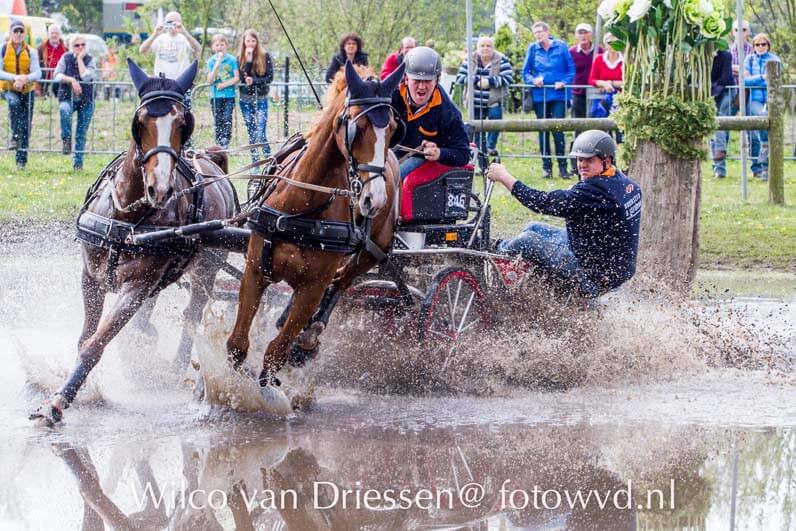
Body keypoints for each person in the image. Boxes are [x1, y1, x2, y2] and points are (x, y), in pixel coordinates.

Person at [487, 130, 641, 298]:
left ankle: (492, 253)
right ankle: (527, 276)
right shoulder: (624, 183)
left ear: (607, 160)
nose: (582, 165)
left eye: (589, 160)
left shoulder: (593, 193)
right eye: (579, 159)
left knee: (527, 240)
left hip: (592, 277)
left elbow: (540, 202)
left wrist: (504, 177)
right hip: (605, 262)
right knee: (533, 227)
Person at [390, 46, 470, 180]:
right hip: (388, 153)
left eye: (427, 81)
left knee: (393, 177)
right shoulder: (390, 96)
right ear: (406, 78)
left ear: (437, 80)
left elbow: (463, 154)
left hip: (420, 161)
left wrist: (439, 153)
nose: (422, 87)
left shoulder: (448, 112)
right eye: (416, 80)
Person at [521, 21, 575, 179]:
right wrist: (533, 80)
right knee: (543, 130)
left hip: (558, 95)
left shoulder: (561, 46)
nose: (538, 35)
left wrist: (564, 82)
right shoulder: (532, 48)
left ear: (547, 32)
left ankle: (563, 167)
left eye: (540, 32)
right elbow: (525, 72)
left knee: (558, 130)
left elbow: (571, 69)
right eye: (535, 33)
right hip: (540, 96)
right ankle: (547, 168)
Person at [454, 35, 512, 166]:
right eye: (482, 46)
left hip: (494, 101)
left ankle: (491, 147)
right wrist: (476, 80)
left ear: (493, 48)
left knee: (495, 124)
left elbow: (508, 78)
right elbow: (460, 77)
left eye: (488, 46)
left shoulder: (501, 60)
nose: (485, 48)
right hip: (475, 103)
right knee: (478, 135)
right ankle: (484, 165)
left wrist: (490, 81)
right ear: (477, 47)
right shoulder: (470, 59)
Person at [713, 20, 755, 179]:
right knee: (721, 124)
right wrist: (742, 70)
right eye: (737, 30)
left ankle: (758, 168)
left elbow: (753, 74)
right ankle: (719, 169)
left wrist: (737, 69)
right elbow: (727, 73)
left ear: (748, 32)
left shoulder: (754, 50)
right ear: (732, 32)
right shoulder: (727, 51)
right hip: (730, 93)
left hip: (750, 93)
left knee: (754, 129)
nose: (740, 33)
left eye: (743, 29)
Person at [138, 11, 201, 113]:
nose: (172, 25)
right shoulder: (160, 38)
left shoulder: (184, 38)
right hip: (162, 83)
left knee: (185, 113)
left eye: (175, 22)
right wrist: (154, 34)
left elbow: (198, 49)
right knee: (162, 113)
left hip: (181, 82)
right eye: (169, 22)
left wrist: (184, 32)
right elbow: (142, 50)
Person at [1, 19, 42, 169]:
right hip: (8, 89)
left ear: (24, 34)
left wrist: (25, 78)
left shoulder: (31, 51)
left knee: (26, 126)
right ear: (10, 33)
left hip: (27, 90)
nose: (18, 34)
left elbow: (38, 73)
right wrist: (15, 78)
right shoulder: (2, 49)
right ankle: (14, 135)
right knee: (14, 103)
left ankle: (21, 161)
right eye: (15, 31)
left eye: (21, 31)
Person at [53, 34, 97, 170]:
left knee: (81, 133)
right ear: (71, 46)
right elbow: (56, 75)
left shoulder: (90, 59)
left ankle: (78, 164)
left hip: (87, 100)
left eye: (83, 44)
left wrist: (79, 59)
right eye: (77, 45)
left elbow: (86, 77)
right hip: (67, 97)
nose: (80, 47)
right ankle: (66, 139)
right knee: (64, 110)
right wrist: (71, 80)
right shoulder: (65, 58)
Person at [744, 33, 781, 181]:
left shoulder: (775, 59)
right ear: (753, 46)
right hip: (755, 101)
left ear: (768, 45)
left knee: (770, 130)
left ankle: (766, 168)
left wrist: (757, 79)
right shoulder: (749, 59)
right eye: (757, 44)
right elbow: (745, 81)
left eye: (763, 44)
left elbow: (775, 80)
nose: (760, 47)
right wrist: (762, 77)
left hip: (772, 100)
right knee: (759, 127)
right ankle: (759, 164)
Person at [568, 22, 602, 173]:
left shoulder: (599, 51)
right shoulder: (571, 52)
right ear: (576, 35)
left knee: (597, 128)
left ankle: (596, 162)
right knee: (578, 128)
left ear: (591, 34)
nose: (583, 35)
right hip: (579, 94)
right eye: (580, 33)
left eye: (585, 32)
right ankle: (575, 164)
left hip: (596, 95)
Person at [237, 29, 274, 162]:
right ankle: (255, 162)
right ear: (244, 42)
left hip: (261, 98)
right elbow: (243, 78)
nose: (251, 43)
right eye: (248, 41)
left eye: (253, 41)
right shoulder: (240, 57)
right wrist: (248, 61)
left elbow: (269, 77)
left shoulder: (265, 56)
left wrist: (255, 81)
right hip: (245, 99)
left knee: (261, 132)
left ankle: (269, 160)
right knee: (252, 132)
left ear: (257, 42)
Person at [588, 33, 623, 143]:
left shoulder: (625, 60)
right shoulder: (599, 59)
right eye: (609, 42)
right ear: (605, 44)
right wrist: (603, 83)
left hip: (621, 100)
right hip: (601, 99)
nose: (613, 45)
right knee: (602, 132)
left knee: (620, 131)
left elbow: (628, 82)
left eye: (616, 42)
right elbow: (591, 80)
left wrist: (611, 83)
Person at [206, 33, 239, 148]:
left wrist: (224, 85)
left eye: (222, 45)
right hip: (215, 96)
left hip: (229, 95)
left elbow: (236, 78)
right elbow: (210, 80)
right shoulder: (211, 61)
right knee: (218, 119)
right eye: (217, 45)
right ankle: (218, 143)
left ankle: (226, 142)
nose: (219, 47)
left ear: (226, 46)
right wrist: (217, 64)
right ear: (213, 47)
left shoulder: (232, 60)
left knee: (227, 118)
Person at [709, 49, 733, 178]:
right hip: (713, 93)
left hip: (727, 92)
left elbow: (726, 78)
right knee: (716, 126)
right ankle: (719, 169)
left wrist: (710, 85)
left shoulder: (726, 55)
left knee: (720, 121)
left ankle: (720, 151)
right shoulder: (702, 54)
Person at [37, 24, 66, 98]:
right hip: (45, 76)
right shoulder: (41, 47)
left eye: (56, 33)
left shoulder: (65, 48)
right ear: (48, 34)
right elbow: (37, 62)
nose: (54, 35)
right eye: (52, 33)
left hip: (60, 76)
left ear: (60, 35)